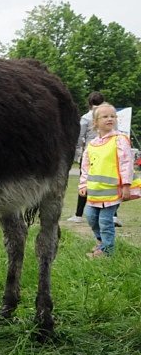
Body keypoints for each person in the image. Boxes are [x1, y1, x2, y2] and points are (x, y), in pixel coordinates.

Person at [78, 102, 141, 258]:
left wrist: (126, 185)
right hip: (95, 192)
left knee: (105, 221)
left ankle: (107, 252)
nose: (109, 119)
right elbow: (86, 167)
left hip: (112, 192)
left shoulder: (120, 140)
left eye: (112, 116)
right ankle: (101, 242)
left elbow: (126, 164)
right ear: (95, 122)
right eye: (105, 116)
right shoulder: (92, 144)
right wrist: (83, 184)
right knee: (91, 217)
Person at [68, 91, 104, 223]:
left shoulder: (86, 118)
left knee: (85, 182)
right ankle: (113, 214)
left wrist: (78, 151)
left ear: (89, 103)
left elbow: (79, 137)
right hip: (107, 153)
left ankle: (78, 215)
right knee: (106, 182)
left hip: (91, 152)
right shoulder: (109, 115)